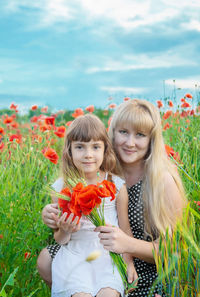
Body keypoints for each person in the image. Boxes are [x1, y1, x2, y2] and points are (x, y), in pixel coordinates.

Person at [38, 99, 186, 296]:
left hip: (144, 267)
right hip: (91, 252)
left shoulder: (161, 181)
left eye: (140, 135)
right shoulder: (103, 169)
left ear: (151, 139)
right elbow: (65, 215)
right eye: (123, 132)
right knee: (46, 259)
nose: (130, 142)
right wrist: (50, 214)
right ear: (111, 134)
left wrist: (127, 244)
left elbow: (175, 253)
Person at [41, 113, 137, 297]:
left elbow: (125, 230)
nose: (88, 155)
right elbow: (60, 239)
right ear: (69, 150)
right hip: (74, 257)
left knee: (108, 294)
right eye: (80, 147)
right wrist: (66, 230)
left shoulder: (117, 186)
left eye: (95, 147)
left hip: (108, 257)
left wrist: (129, 263)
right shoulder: (62, 188)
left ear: (105, 150)